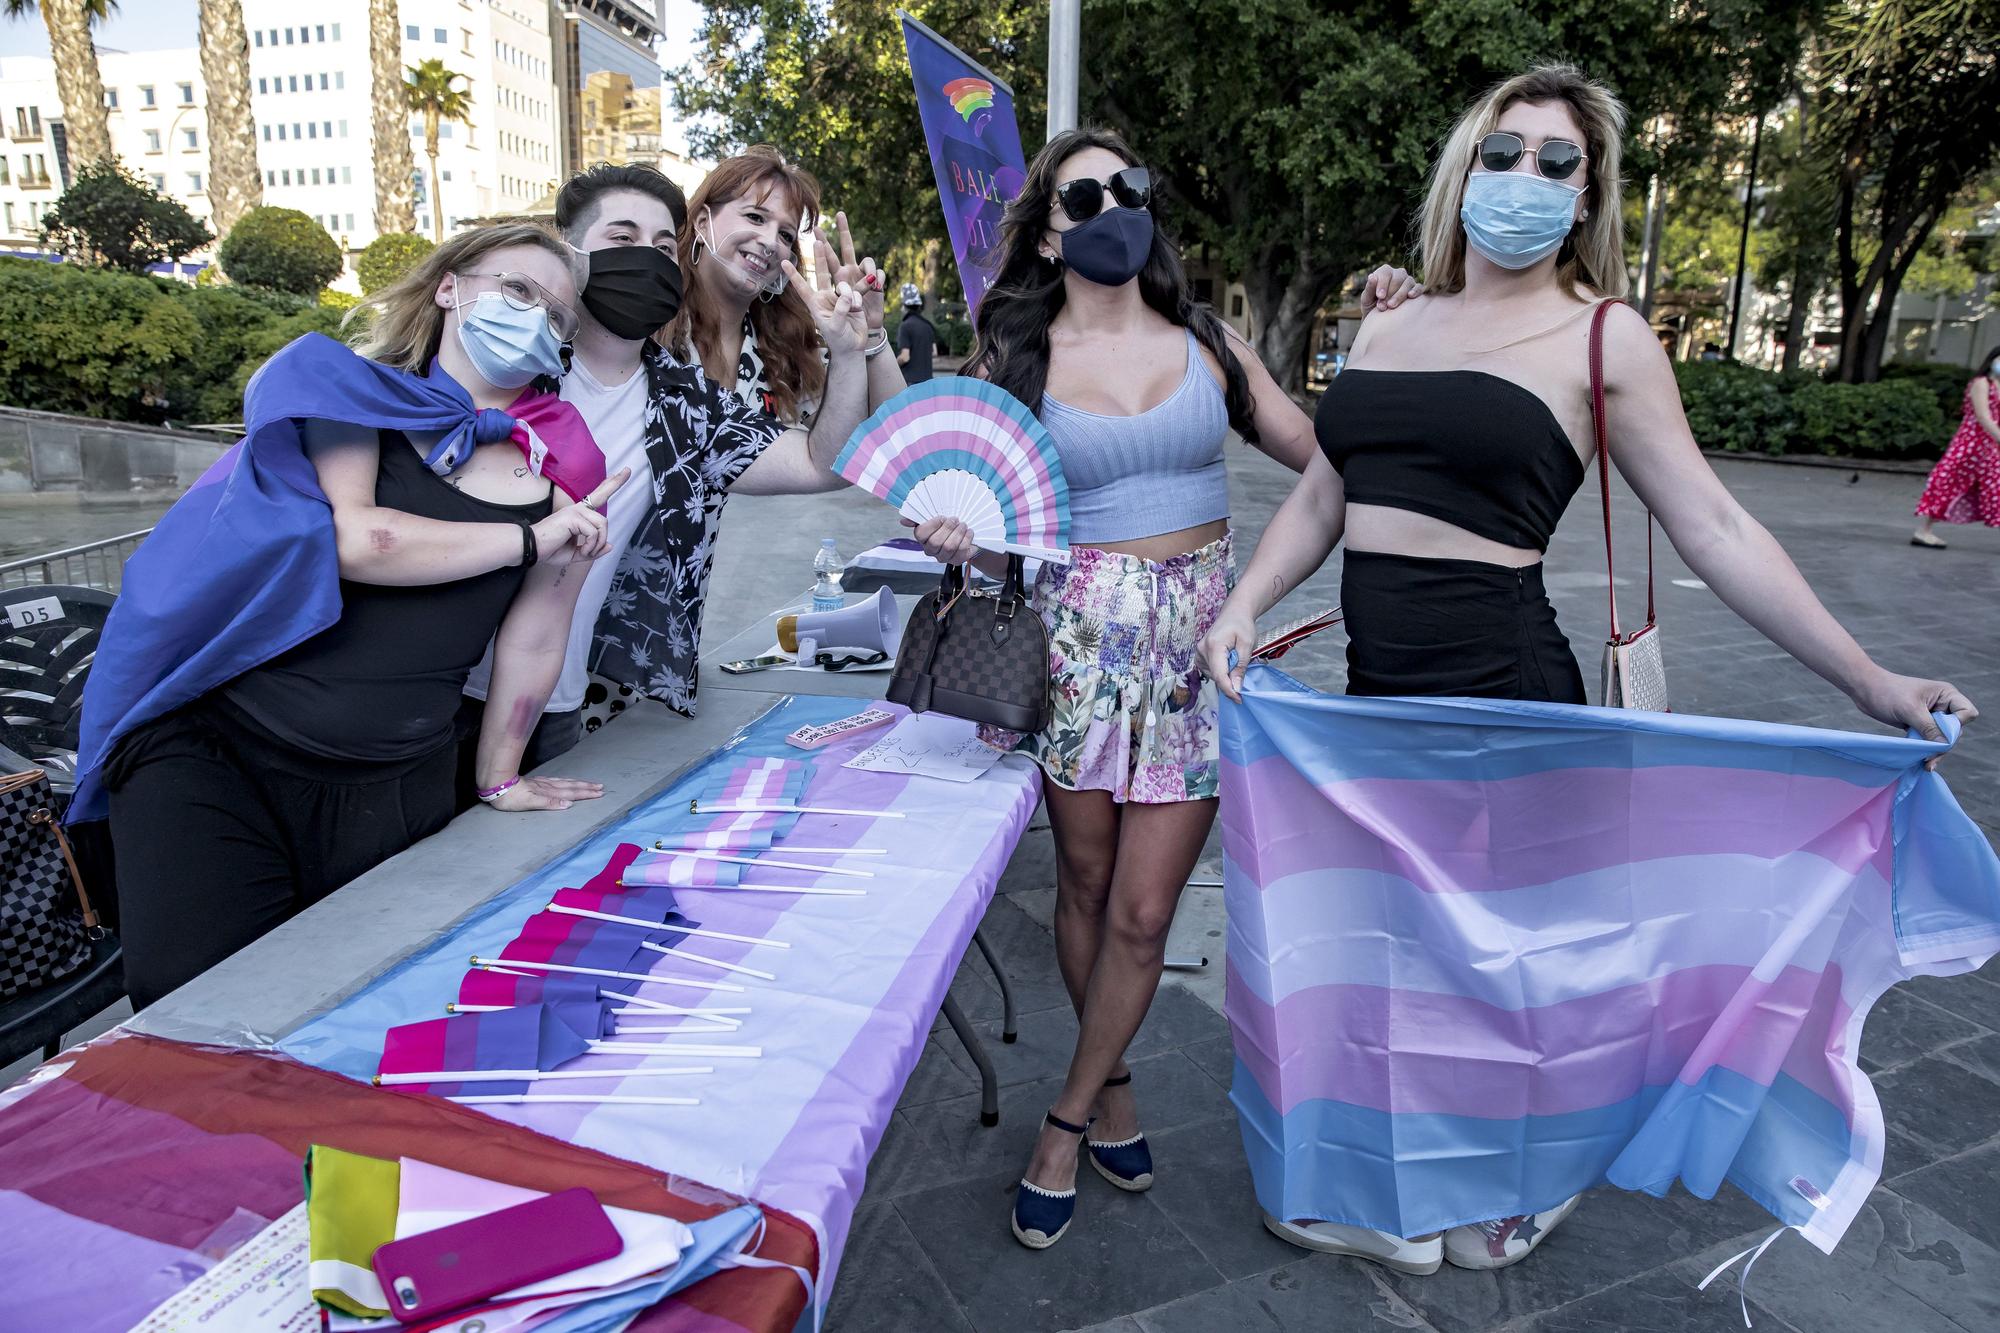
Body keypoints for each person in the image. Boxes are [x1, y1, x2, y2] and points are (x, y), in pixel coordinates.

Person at [1200, 64, 1976, 1275]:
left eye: (1557, 164)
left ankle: (1527, 1177)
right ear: (1466, 169)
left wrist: (1865, 679)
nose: (1524, 180)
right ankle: (1408, 1180)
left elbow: (1712, 527)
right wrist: (1245, 601)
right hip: (1378, 706)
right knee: (1403, 946)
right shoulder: (1389, 320)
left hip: (1509, 700)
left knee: (1517, 968)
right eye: (1504, 153)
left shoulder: (1604, 335)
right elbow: (1326, 494)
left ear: (1588, 195)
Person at [957, 126, 1419, 1252]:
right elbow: (980, 511)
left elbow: (1324, 456)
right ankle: (1111, 1085)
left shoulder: (1208, 340)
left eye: (1129, 186)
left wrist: (1388, 345)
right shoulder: (1011, 353)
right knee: (1079, 879)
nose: (1111, 204)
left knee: (1146, 907)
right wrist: (953, 533)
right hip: (1074, 643)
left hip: (1196, 645)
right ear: (1047, 227)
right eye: (1084, 193)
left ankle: (1063, 1122)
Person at [80, 223, 625, 1007]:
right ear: (450, 287)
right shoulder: (356, 395)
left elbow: (536, 635)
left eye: (558, 315)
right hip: (226, 756)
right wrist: (528, 539)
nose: (536, 317)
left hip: (395, 783)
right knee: (197, 1009)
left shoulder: (564, 468)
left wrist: (500, 777)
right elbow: (358, 538)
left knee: (353, 1010)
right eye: (518, 290)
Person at [455, 162, 880, 783]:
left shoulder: (682, 401)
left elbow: (825, 462)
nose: (646, 261)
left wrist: (850, 350)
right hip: (433, 685)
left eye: (660, 245)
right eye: (621, 240)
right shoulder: (509, 358)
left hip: (570, 691)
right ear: (567, 251)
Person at [664, 146, 910, 424]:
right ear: (702, 223)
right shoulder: (651, 331)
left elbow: (897, 438)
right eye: (755, 217)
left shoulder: (792, 352)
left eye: (785, 235)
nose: (770, 243)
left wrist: (870, 333)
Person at [1911, 346, 2000, 548]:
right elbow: (1983, 417)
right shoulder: (1981, 383)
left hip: (1990, 446)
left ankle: (1924, 531)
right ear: (1992, 360)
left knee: (1996, 486)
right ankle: (1924, 531)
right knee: (1949, 483)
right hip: (1971, 443)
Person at [896, 283, 945, 384]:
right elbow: (934, 353)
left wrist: (894, 364)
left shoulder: (905, 326)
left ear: (904, 306)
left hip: (911, 382)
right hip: (927, 382)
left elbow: (905, 357)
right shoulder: (928, 326)